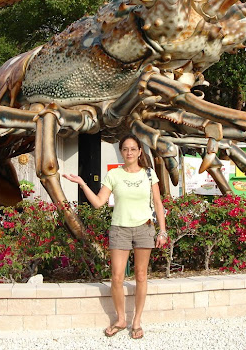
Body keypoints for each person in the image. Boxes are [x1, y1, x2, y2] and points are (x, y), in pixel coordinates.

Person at [63, 134, 167, 340]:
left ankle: (136, 321)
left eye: (133, 149)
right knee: (117, 277)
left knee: (141, 276)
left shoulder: (149, 174)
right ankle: (121, 319)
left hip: (144, 228)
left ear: (139, 152)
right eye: (125, 149)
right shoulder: (114, 175)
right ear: (122, 152)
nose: (129, 152)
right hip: (120, 229)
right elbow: (99, 202)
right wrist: (83, 184)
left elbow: (157, 203)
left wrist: (162, 230)